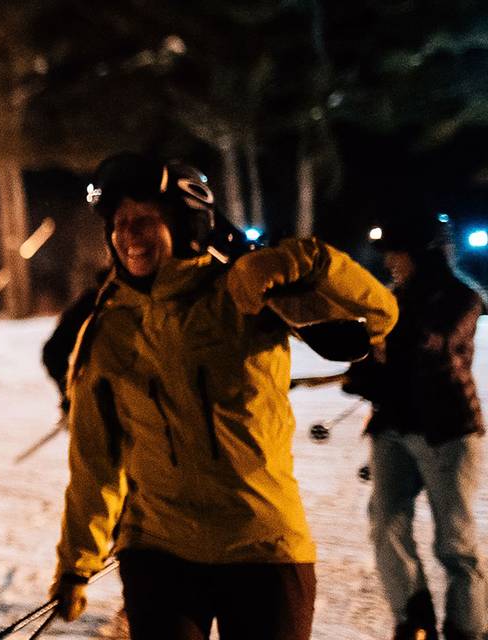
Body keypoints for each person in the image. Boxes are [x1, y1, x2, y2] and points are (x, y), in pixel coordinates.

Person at [49, 152, 397, 639]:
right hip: (159, 554)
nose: (128, 234)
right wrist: (75, 564)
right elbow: (95, 460)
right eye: (119, 223)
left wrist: (304, 261)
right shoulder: (109, 330)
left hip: (263, 547)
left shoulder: (243, 293)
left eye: (145, 220)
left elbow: (379, 316)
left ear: (184, 221)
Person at [344, 213, 488, 640]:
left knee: (455, 544)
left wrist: (383, 342)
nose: (390, 262)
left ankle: (469, 630)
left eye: (397, 253)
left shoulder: (463, 298)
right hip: (393, 427)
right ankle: (413, 617)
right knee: (385, 523)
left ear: (422, 254)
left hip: (448, 431)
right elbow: (374, 355)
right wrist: (363, 366)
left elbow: (436, 344)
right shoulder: (391, 298)